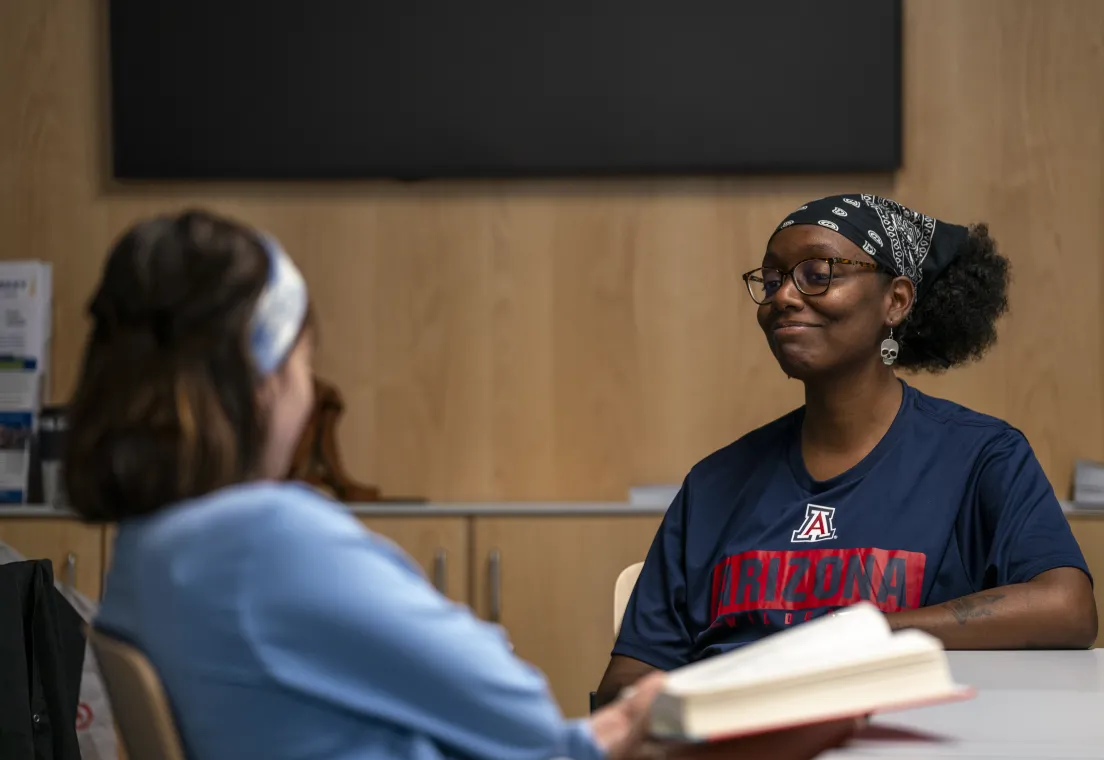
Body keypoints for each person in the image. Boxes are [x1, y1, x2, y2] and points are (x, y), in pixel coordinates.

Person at [65, 210, 856, 760]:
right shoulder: (270, 539)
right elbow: (521, 721)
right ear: (263, 378)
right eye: (307, 363)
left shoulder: (147, 548)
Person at [596, 194, 1098, 707]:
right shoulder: (713, 484)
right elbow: (630, 675)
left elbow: (1067, 607)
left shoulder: (982, 457)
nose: (783, 297)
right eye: (771, 281)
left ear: (896, 301)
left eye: (818, 273)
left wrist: (868, 633)